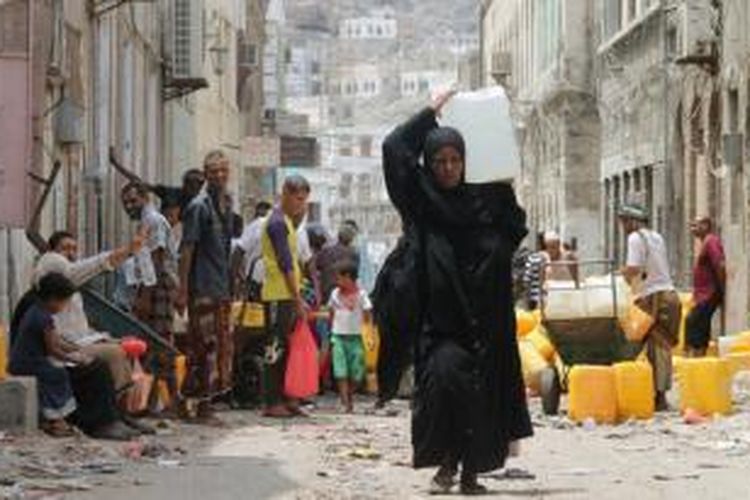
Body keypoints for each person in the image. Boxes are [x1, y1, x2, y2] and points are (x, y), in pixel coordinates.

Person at [376, 91, 532, 494]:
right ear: (430, 164)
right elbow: (394, 148)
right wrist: (431, 111)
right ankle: (446, 462)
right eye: (440, 161)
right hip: (442, 322)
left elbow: (514, 228)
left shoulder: (489, 202)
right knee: (445, 384)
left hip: (488, 321)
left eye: (455, 160)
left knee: (482, 397)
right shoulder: (422, 203)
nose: (448, 169)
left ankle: (469, 474)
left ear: (466, 162)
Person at [31, 231, 153, 434]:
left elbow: (80, 327)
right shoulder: (56, 270)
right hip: (63, 348)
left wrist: (109, 338)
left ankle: (120, 414)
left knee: (122, 348)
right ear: (53, 252)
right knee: (115, 354)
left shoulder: (69, 284)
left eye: (73, 249)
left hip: (77, 343)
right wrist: (128, 250)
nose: (70, 253)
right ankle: (109, 419)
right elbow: (98, 264)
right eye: (65, 248)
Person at [10, 273, 137, 440]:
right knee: (89, 370)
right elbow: (54, 349)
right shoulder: (41, 316)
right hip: (32, 364)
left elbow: (59, 342)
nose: (65, 306)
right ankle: (78, 421)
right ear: (54, 299)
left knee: (97, 365)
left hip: (35, 361)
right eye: (65, 302)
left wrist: (78, 350)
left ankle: (111, 418)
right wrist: (76, 358)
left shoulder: (38, 309)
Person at [177, 150, 236, 421]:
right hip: (202, 287)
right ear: (206, 174)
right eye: (214, 172)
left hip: (220, 287)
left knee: (219, 347)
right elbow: (187, 249)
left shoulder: (226, 203)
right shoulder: (198, 207)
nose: (219, 176)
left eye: (223, 171)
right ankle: (201, 406)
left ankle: (200, 402)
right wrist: (182, 290)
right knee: (204, 347)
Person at [121, 182, 179, 411]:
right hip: (152, 286)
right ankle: (153, 402)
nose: (129, 206)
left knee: (159, 342)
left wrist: (145, 296)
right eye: (125, 202)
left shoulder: (153, 220)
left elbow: (155, 259)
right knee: (152, 345)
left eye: (133, 200)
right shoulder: (146, 221)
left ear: (145, 198)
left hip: (157, 287)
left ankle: (173, 401)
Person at [619, 203, 681, 412]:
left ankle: (660, 396)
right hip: (670, 296)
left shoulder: (635, 238)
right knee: (659, 347)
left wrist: (622, 275)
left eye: (624, 221)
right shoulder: (656, 237)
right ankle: (655, 392)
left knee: (658, 347)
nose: (623, 226)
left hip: (656, 299)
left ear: (632, 221)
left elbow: (634, 269)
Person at [259, 175, 310, 418]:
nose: (302, 204)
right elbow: (286, 263)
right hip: (278, 294)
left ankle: (286, 397)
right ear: (286, 194)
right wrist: (297, 298)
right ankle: (272, 401)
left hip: (286, 293)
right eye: (299, 199)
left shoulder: (287, 222)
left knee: (286, 347)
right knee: (275, 347)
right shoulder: (277, 223)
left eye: (304, 200)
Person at [328, 261, 372, 413]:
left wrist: (368, 333)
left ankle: (349, 395)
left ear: (348, 278)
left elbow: (367, 314)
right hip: (338, 336)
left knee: (357, 373)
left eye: (339, 278)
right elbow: (331, 312)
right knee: (340, 371)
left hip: (356, 338)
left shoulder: (362, 295)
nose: (337, 281)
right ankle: (345, 403)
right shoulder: (334, 294)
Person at [685, 216, 726, 357]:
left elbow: (719, 265)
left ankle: (697, 358)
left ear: (706, 226)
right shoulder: (705, 242)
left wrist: (721, 290)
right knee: (698, 325)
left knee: (693, 322)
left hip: (709, 293)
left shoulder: (711, 241)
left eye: (696, 225)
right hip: (703, 294)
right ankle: (697, 358)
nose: (692, 229)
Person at [315, 222, 361, 303]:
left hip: (325, 293)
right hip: (343, 294)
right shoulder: (354, 253)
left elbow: (316, 268)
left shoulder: (325, 250)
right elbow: (354, 277)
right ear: (351, 239)